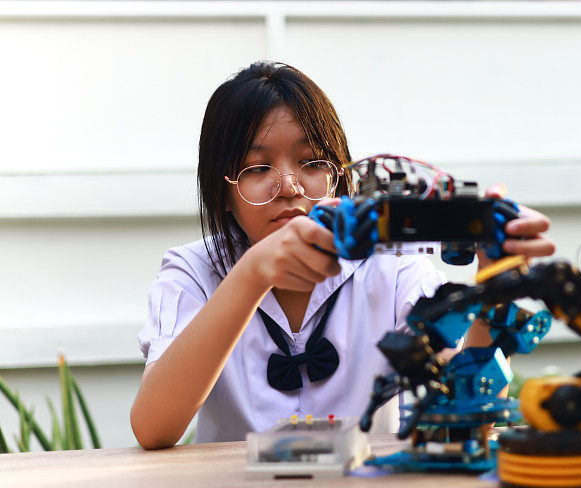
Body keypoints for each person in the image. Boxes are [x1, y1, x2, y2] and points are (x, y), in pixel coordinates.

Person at [130, 61, 555, 449]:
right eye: (257, 169)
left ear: (340, 176)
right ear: (221, 193)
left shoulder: (393, 265)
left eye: (312, 162)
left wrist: (495, 280)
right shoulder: (193, 272)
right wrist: (252, 273)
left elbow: (470, 417)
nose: (290, 186)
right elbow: (154, 428)